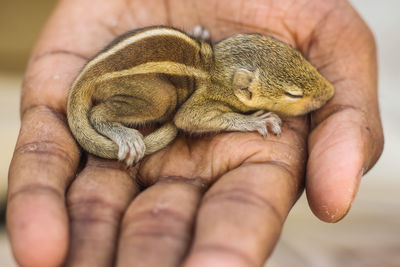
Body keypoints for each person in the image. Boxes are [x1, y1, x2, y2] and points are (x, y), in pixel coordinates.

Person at [7, 0, 383, 266]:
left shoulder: (216, 63)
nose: (322, 95)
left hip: (126, 67)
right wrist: (245, 121)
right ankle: (107, 120)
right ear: (245, 89)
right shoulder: (213, 90)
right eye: (294, 95)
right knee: (159, 100)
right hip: (112, 88)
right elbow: (188, 120)